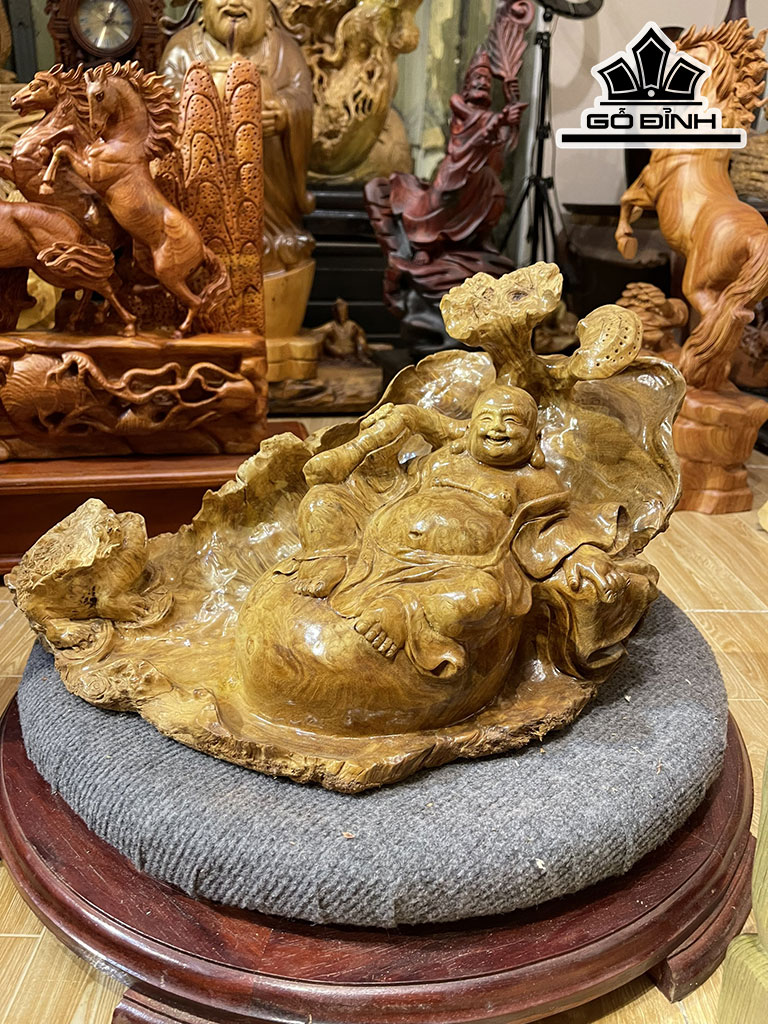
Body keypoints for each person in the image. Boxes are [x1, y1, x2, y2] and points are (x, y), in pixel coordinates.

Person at [280, 385, 633, 677]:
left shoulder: (534, 481)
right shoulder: (445, 457)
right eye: (486, 418)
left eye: (512, 421)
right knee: (322, 500)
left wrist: (582, 553)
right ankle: (332, 557)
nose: (497, 428)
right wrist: (397, 429)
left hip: (455, 570)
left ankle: (404, 609)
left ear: (534, 437)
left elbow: (557, 526)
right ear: (469, 427)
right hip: (378, 545)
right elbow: (392, 482)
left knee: (484, 598)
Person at [159, 0, 315, 273]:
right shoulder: (183, 47)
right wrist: (202, 109)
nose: (234, 3)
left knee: (277, 246)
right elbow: (165, 102)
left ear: (267, 7)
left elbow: (303, 99)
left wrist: (284, 112)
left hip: (269, 186)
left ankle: (272, 242)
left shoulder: (283, 49)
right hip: (202, 178)